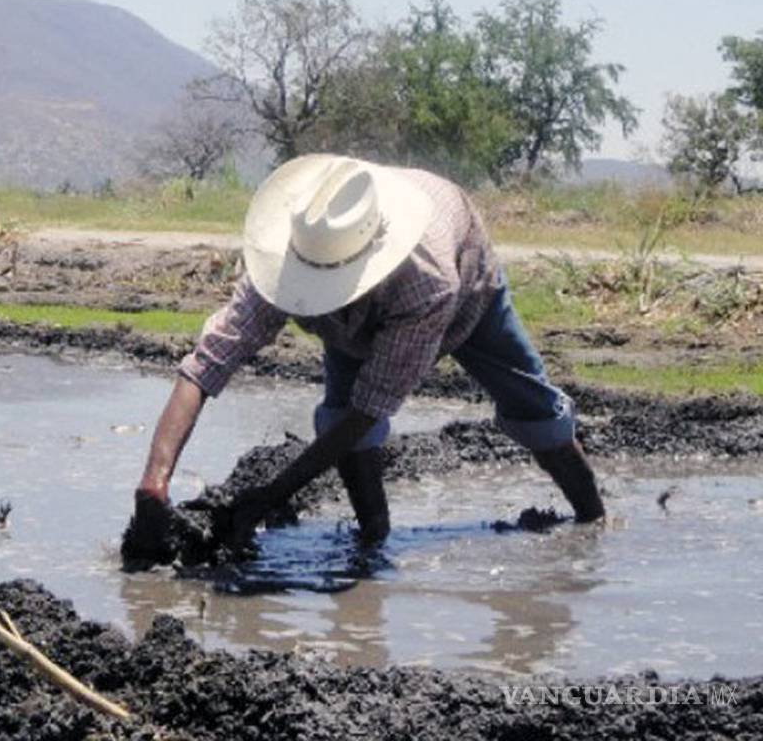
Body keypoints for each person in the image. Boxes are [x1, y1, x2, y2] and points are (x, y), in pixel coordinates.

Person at [132, 154, 605, 549]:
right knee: (340, 413)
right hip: (367, 313)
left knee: (532, 404)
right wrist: (154, 482)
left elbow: (371, 406)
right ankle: (372, 539)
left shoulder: (427, 281)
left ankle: (593, 520)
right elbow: (208, 362)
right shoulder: (285, 258)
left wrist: (273, 493)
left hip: (469, 294)